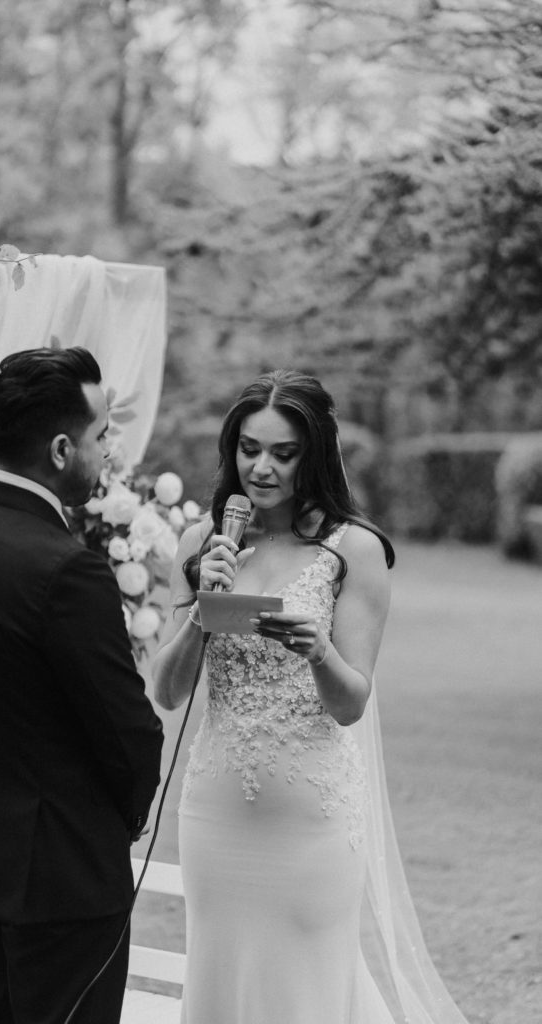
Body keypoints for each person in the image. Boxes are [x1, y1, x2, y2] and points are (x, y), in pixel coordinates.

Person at [152, 369, 471, 1024]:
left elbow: (350, 703)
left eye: (283, 453)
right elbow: (168, 689)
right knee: (221, 975)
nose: (261, 468)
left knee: (308, 988)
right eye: (249, 449)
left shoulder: (353, 550)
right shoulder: (201, 542)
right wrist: (201, 611)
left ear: (314, 455)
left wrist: (319, 650)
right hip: (216, 814)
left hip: (310, 818)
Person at [0, 347, 164, 1024]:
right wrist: (122, 821)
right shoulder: (67, 570)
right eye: (100, 435)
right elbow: (129, 732)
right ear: (60, 450)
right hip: (61, 882)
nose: (107, 450)